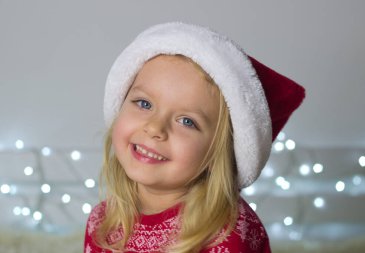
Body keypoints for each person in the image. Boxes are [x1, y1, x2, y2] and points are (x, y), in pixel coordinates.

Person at [84, 22, 305, 253]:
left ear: (217, 153)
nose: (155, 128)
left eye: (187, 121)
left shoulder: (227, 239)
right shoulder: (102, 221)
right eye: (144, 103)